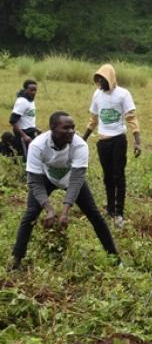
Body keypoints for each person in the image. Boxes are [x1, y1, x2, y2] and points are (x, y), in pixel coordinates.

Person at [10, 111, 119, 270]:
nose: (71, 131)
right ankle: (16, 260)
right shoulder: (37, 145)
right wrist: (49, 209)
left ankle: (115, 259)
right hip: (46, 178)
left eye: (73, 128)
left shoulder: (79, 145)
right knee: (30, 214)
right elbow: (34, 181)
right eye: (66, 128)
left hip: (70, 178)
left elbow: (76, 180)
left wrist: (65, 211)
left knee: (95, 215)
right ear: (52, 128)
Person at [82, 64, 142, 228]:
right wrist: (83, 139)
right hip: (103, 142)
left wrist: (137, 141)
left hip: (118, 141)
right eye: (98, 80)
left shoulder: (123, 94)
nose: (100, 83)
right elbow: (93, 120)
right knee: (107, 176)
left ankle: (119, 212)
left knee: (118, 176)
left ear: (110, 79)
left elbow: (131, 118)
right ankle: (110, 210)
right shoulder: (97, 95)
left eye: (102, 80)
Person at [10, 79, 40, 161]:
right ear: (25, 89)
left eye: (35, 90)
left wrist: (36, 128)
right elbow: (13, 121)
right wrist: (24, 136)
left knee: (33, 156)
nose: (34, 92)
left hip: (31, 132)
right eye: (31, 90)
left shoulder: (31, 100)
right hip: (23, 135)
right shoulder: (22, 102)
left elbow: (27, 118)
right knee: (26, 159)